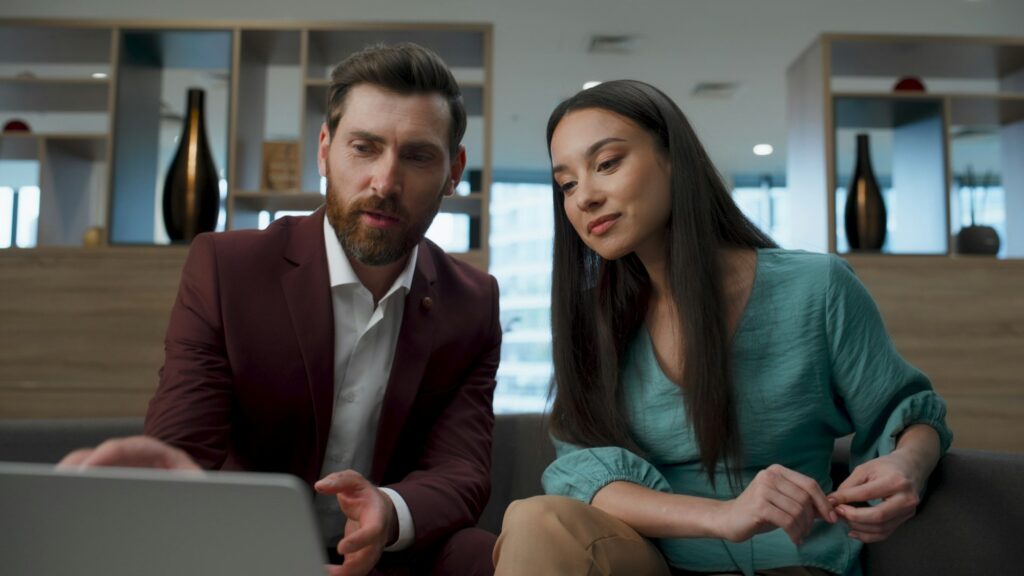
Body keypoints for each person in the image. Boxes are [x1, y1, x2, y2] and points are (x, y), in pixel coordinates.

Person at [59, 43, 501, 576]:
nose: (385, 183)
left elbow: (460, 470)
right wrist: (161, 478)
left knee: (482, 554)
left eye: (417, 155)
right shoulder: (226, 269)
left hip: (388, 558)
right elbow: (183, 444)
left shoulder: (472, 302)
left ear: (453, 171)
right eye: (364, 147)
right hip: (244, 553)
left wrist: (387, 512)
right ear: (324, 149)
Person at [492, 80, 952, 576]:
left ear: (673, 158)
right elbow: (586, 475)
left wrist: (908, 466)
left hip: (792, 560)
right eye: (567, 184)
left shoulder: (818, 288)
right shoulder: (593, 318)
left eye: (606, 164)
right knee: (535, 519)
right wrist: (723, 517)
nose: (585, 197)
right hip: (651, 558)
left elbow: (903, 413)